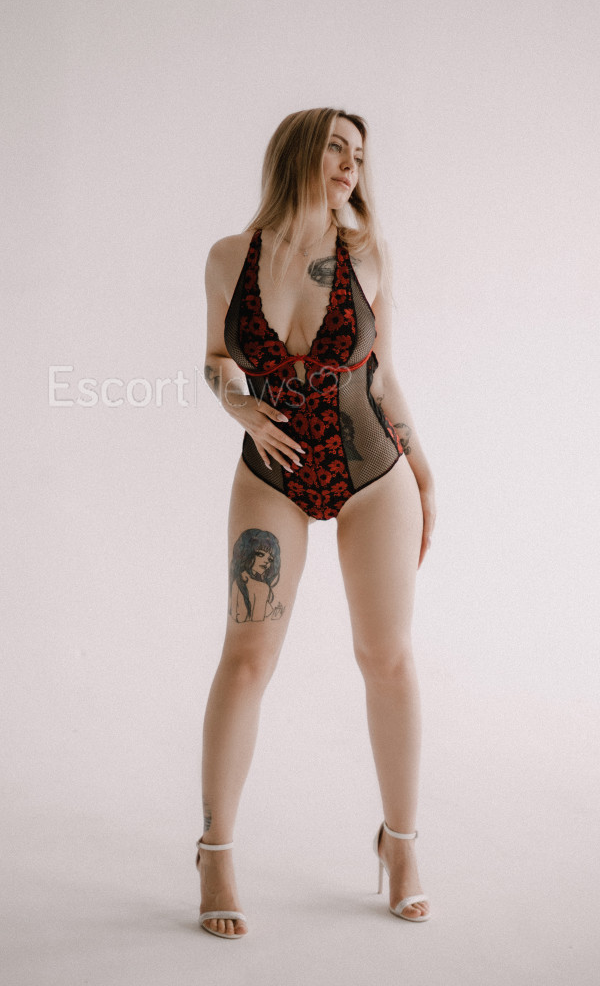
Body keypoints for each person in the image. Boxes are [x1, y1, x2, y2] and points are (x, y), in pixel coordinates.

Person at [197, 108, 436, 938]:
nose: (350, 165)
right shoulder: (229, 258)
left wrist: (424, 470)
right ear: (299, 151)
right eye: (337, 146)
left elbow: (384, 374)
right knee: (245, 660)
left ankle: (400, 844)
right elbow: (216, 361)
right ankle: (215, 851)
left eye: (359, 154)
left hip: (374, 474)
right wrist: (240, 408)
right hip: (272, 477)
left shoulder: (367, 254)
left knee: (387, 658)